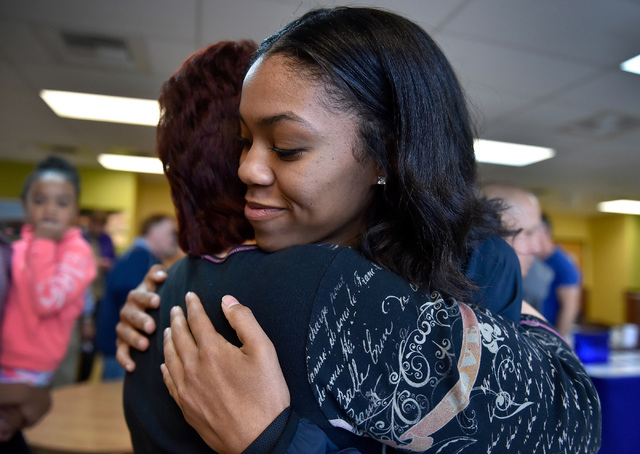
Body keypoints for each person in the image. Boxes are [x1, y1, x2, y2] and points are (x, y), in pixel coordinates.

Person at [122, 9, 600, 454]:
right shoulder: (289, 282)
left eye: (286, 147)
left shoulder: (474, 265)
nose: (247, 168)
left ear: (387, 155)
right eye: (244, 143)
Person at [0, 155, 96, 451]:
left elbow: (46, 300)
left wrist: (42, 243)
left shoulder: (77, 252)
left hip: (30, 366)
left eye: (62, 203)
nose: (50, 209)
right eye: (40, 201)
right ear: (26, 206)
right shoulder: (16, 247)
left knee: (11, 422)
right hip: (6, 355)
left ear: (75, 210)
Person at [95, 214, 177, 379]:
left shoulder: (138, 255)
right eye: (170, 233)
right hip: (122, 348)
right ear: (153, 231)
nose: (174, 239)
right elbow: (130, 301)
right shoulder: (140, 258)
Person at [537, 212, 582, 337]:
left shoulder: (563, 264)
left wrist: (557, 342)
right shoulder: (535, 260)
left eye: (531, 231)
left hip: (550, 336)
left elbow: (570, 308)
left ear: (543, 231)